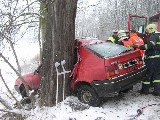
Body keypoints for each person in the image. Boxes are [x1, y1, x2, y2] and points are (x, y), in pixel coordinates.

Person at [133, 24, 160, 96]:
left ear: (151, 29)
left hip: (153, 58)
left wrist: (139, 46)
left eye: (148, 31)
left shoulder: (154, 35)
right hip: (158, 59)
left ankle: (145, 90)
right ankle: (157, 91)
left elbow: (150, 45)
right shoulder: (159, 35)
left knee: (148, 74)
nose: (148, 33)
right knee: (157, 75)